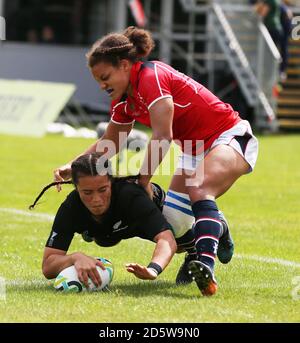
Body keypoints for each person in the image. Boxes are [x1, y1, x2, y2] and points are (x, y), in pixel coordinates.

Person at [53, 26, 259, 296]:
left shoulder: (151, 77)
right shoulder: (124, 100)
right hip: (194, 148)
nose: (102, 86)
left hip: (228, 136)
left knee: (200, 190)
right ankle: (215, 226)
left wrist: (143, 179)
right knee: (174, 224)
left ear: (125, 65)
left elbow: (163, 136)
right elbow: (111, 142)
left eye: (105, 77)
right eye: (98, 81)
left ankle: (205, 267)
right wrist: (74, 164)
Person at [33, 153, 177, 288]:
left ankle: (193, 254)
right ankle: (93, 230)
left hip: (139, 219)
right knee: (104, 239)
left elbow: (166, 239)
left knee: (181, 241)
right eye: (87, 192)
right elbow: (48, 266)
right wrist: (74, 258)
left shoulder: (131, 196)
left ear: (112, 183)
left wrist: (153, 269)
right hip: (106, 231)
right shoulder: (71, 207)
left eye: (103, 190)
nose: (96, 200)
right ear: (76, 188)